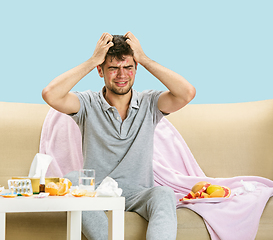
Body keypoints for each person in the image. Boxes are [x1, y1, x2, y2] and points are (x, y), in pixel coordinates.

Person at [42, 32, 196, 240]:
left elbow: (187, 92)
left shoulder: (150, 103)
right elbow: (50, 94)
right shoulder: (87, 103)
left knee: (164, 194)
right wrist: (93, 59)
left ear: (135, 69)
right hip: (96, 192)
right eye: (113, 68)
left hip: (139, 194)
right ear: (100, 71)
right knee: (71, 180)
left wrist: (144, 58)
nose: (122, 75)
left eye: (128, 67)